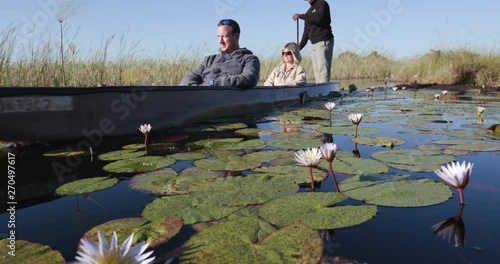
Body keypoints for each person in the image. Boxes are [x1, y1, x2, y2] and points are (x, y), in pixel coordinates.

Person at [179, 19, 260, 88]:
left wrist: (212, 84)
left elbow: (248, 79)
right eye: (218, 36)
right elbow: (188, 78)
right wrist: (195, 88)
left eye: (224, 36)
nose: (221, 41)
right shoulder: (208, 60)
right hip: (202, 97)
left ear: (236, 37)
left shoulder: (249, 59)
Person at [293, 0, 334, 83]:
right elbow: (306, 32)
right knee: (317, 70)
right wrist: (299, 47)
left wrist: (301, 16)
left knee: (323, 70)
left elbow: (318, 18)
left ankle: (323, 92)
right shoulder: (308, 12)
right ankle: (319, 91)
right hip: (314, 44)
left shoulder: (322, 4)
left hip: (323, 41)